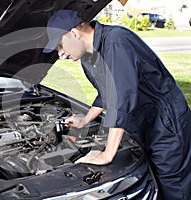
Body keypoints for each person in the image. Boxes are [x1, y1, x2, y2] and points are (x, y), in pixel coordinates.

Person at [43, 10, 191, 200]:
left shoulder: (116, 41)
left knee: (174, 185)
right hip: (142, 121)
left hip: (166, 122)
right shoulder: (88, 56)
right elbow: (106, 94)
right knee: (153, 179)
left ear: (74, 32)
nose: (60, 54)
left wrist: (107, 154)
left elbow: (121, 98)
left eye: (60, 45)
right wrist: (85, 119)